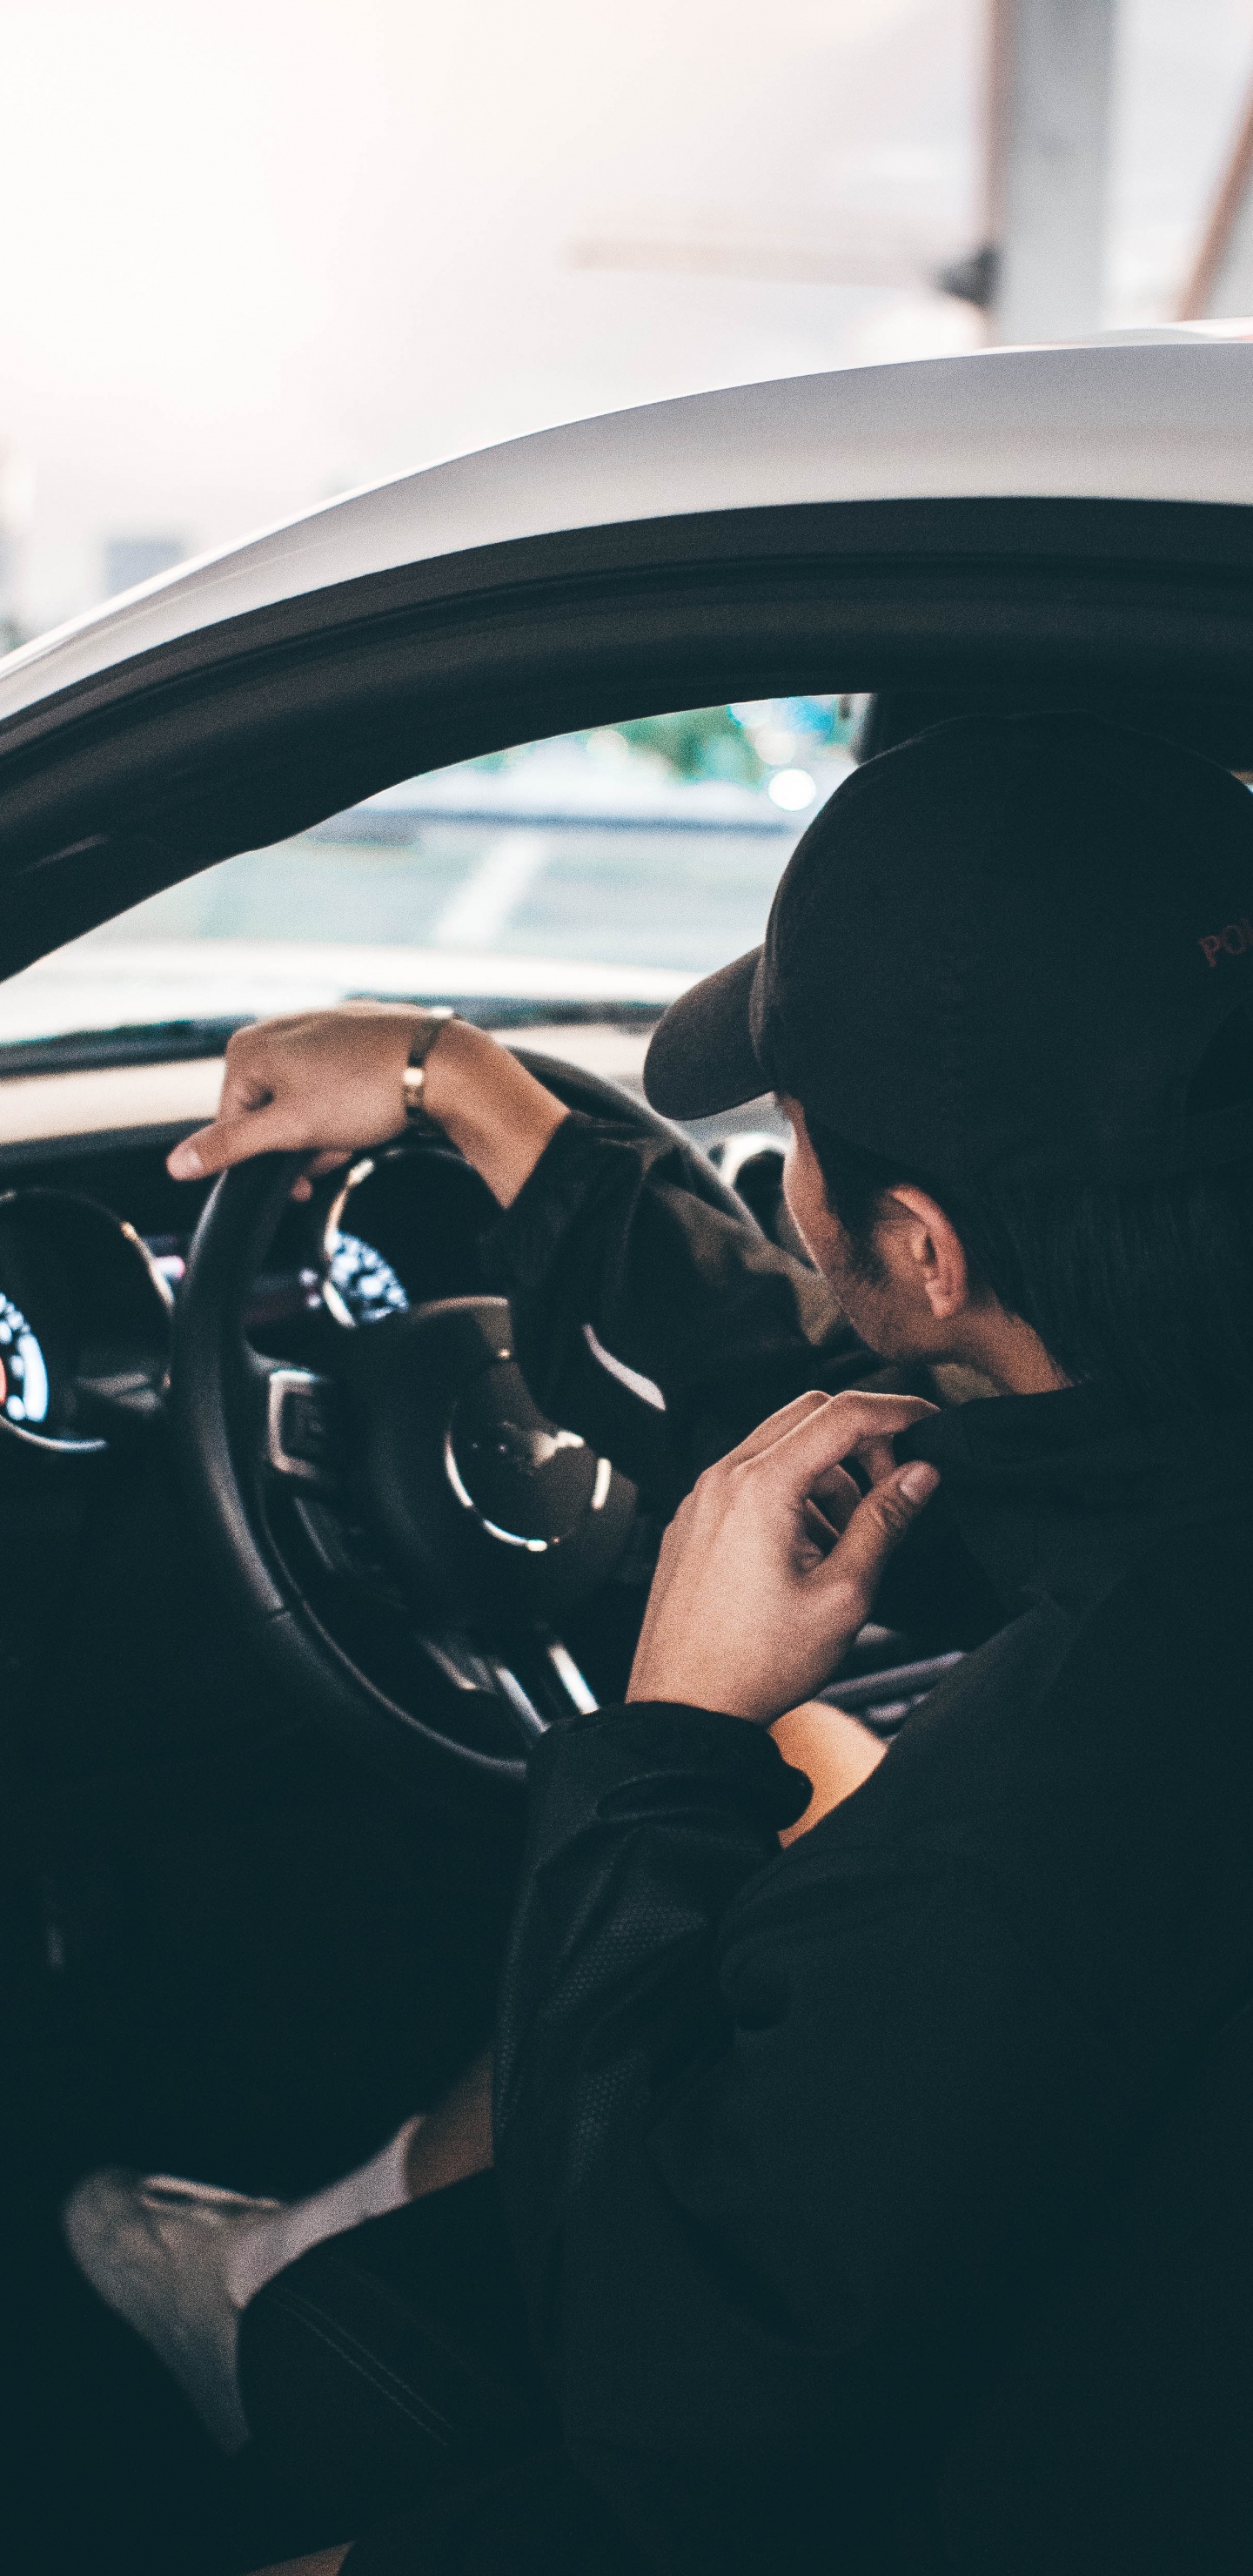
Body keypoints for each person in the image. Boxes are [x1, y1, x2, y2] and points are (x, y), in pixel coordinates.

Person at [64, 715, 1253, 2573]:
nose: (782, 1166)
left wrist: (666, 1737)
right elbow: (867, 1412)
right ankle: (287, 2263)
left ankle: (274, 2312)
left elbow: (673, 2401)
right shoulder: (1176, 1452)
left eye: (791, 1135)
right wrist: (467, 1086)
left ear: (927, 1251)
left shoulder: (1066, 1792)